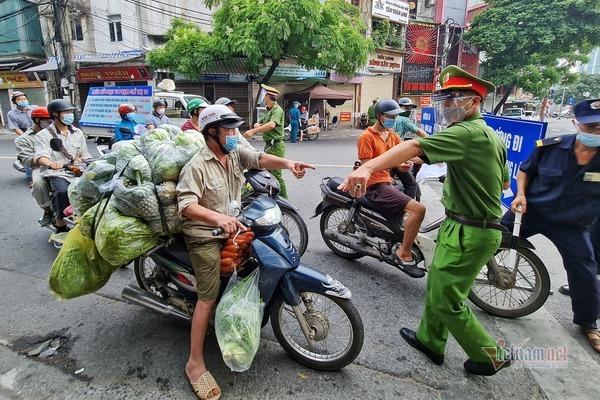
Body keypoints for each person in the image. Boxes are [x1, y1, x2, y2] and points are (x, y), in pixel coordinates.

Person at [340, 66, 511, 376]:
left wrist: (365, 169)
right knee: (438, 286)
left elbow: (416, 146)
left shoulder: (468, 132)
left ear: (473, 102)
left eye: (453, 98)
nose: (446, 105)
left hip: (471, 231)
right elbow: (502, 184)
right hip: (460, 224)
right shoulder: (489, 136)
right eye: (443, 99)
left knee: (448, 301)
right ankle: (430, 340)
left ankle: (491, 355)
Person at [176, 104, 314, 400]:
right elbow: (186, 205)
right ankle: (195, 363)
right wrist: (218, 219)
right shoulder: (197, 165)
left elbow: (259, 158)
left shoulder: (234, 153)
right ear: (212, 132)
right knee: (208, 297)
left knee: (256, 262)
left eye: (235, 129)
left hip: (234, 227)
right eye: (229, 130)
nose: (235, 135)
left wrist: (289, 165)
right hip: (205, 236)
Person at [503, 98, 600, 354]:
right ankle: (461, 281)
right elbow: (524, 171)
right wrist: (519, 194)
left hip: (573, 224)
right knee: (489, 238)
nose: (597, 132)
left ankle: (588, 323)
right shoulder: (550, 147)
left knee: (585, 273)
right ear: (575, 124)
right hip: (532, 212)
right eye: (591, 128)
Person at [356, 99, 426, 277]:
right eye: (391, 116)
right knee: (418, 209)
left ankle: (400, 233)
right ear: (380, 117)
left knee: (413, 189)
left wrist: (428, 158)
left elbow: (406, 153)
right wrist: (396, 164)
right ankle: (404, 253)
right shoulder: (366, 137)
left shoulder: (391, 134)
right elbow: (367, 167)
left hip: (388, 180)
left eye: (396, 116)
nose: (394, 119)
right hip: (374, 185)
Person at [34, 99, 91, 232]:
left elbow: (85, 154)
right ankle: (61, 225)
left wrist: (81, 158)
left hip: (79, 170)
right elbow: (41, 156)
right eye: (66, 112)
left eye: (71, 111)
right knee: (62, 191)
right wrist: (51, 163)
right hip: (59, 173)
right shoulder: (44, 135)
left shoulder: (78, 132)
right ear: (55, 115)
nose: (70, 114)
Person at [243, 84, 288, 198]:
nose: (263, 98)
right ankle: (272, 196)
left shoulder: (277, 110)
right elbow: (259, 122)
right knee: (267, 173)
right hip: (268, 145)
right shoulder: (268, 110)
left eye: (264, 96)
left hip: (276, 145)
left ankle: (284, 200)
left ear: (268, 96)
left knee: (276, 174)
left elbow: (272, 124)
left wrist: (254, 131)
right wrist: (258, 125)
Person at [15, 107, 54, 224]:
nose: (51, 124)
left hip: (62, 164)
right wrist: (43, 160)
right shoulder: (23, 139)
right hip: (40, 167)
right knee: (38, 184)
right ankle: (47, 211)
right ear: (38, 120)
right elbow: (27, 159)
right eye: (49, 121)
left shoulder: (54, 132)